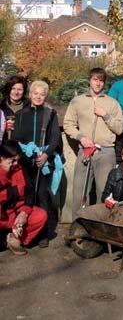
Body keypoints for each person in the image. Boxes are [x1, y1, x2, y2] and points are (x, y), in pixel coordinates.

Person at [63, 67, 123, 219]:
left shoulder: (112, 103)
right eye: (95, 79)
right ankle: (79, 229)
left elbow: (120, 128)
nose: (98, 83)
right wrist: (81, 137)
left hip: (106, 152)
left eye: (101, 80)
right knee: (79, 192)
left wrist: (106, 115)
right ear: (89, 80)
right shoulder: (77, 101)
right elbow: (68, 124)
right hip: (84, 151)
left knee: (104, 192)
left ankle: (101, 228)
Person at [12, 80, 62, 247]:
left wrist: (46, 154)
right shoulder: (20, 115)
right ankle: (25, 232)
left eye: (42, 94)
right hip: (26, 161)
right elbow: (16, 139)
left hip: (44, 160)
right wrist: (27, 156)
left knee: (42, 196)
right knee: (27, 197)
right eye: (35, 93)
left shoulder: (50, 113)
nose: (38, 96)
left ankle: (43, 234)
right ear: (30, 94)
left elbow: (56, 137)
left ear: (45, 96)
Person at [0, 140, 47, 255]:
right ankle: (7, 240)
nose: (16, 164)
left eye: (17, 160)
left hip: (17, 214)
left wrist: (24, 213)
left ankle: (14, 239)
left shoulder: (20, 169)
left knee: (41, 215)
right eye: (12, 161)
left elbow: (30, 192)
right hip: (2, 216)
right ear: (1, 158)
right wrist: (4, 172)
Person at [0, 75, 29, 140]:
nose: (16, 92)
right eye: (13, 88)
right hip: (6, 146)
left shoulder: (30, 106)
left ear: (24, 91)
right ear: (8, 89)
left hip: (26, 145)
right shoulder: (1, 107)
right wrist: (4, 128)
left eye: (19, 89)